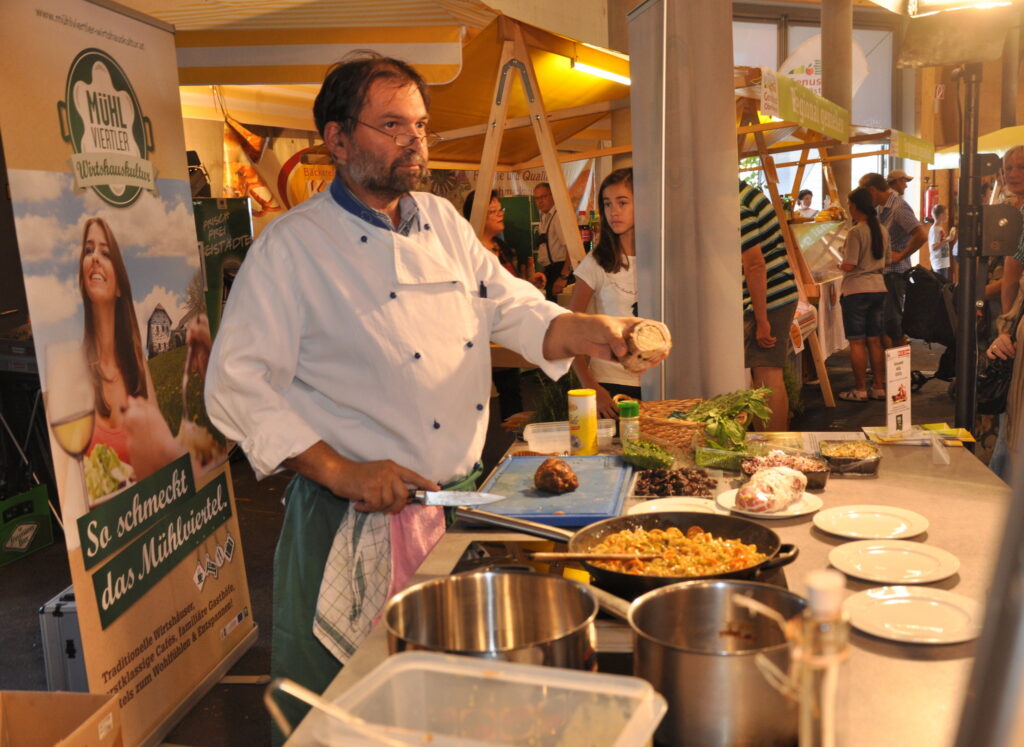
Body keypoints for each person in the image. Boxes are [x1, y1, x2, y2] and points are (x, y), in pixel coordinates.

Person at [203, 53, 666, 739]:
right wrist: (342, 469)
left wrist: (600, 331)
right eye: (392, 124)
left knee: (448, 712)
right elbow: (234, 384)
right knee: (337, 714)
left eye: (419, 124)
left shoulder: (445, 224)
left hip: (450, 508)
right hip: (346, 521)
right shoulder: (292, 249)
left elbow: (519, 309)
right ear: (337, 140)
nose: (415, 140)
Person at [78, 217, 206, 490]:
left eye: (105, 252)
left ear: (121, 285)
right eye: (88, 251)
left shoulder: (136, 364)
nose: (95, 258)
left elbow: (167, 459)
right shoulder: (72, 370)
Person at [568, 168, 640, 418]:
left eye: (622, 202)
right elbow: (570, 329)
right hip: (610, 385)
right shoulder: (596, 263)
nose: (614, 211)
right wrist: (590, 386)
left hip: (662, 385)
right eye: (607, 204)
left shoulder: (663, 259)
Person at [738, 181, 799, 431]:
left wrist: (762, 320)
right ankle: (772, 445)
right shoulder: (749, 193)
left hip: (768, 298)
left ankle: (771, 447)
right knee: (767, 373)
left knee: (767, 375)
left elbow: (755, 265)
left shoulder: (737, 204)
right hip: (776, 293)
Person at [462, 190, 526, 419]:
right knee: (470, 403)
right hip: (475, 338)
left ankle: (517, 449)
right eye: (492, 211)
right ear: (477, 216)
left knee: (512, 397)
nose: (499, 215)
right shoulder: (468, 254)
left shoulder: (504, 249)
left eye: (500, 210)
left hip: (504, 335)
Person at [987, 145, 1024, 481]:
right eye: (1007, 168)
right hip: (1014, 326)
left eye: (1020, 168)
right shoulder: (1015, 213)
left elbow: (1011, 278)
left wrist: (1007, 324)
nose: (1012, 175)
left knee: (1012, 425)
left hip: (1015, 326)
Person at [859, 172, 928, 348]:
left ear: (873, 190)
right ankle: (888, 369)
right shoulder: (881, 207)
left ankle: (899, 371)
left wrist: (901, 255)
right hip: (884, 273)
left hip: (894, 274)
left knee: (893, 323)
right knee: (884, 323)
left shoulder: (898, 207)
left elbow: (921, 234)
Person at [837, 187, 891, 402]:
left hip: (856, 290)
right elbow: (888, 261)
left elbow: (850, 265)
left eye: (849, 205)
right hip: (878, 287)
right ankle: (878, 387)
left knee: (857, 342)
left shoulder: (856, 232)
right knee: (874, 341)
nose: (849, 208)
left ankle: (860, 390)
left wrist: (839, 263)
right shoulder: (882, 230)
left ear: (856, 206)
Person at [533, 181, 573, 300]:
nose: (540, 201)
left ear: (553, 196)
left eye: (544, 197)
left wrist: (563, 277)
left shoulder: (559, 216)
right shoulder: (545, 217)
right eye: (537, 198)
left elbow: (571, 249)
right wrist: (543, 272)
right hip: (550, 271)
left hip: (561, 270)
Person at [928, 204, 954, 282]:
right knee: (942, 287)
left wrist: (949, 239)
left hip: (943, 263)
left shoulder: (939, 228)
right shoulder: (934, 229)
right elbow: (934, 247)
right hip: (939, 264)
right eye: (946, 214)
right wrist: (946, 240)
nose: (948, 216)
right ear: (941, 215)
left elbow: (941, 242)